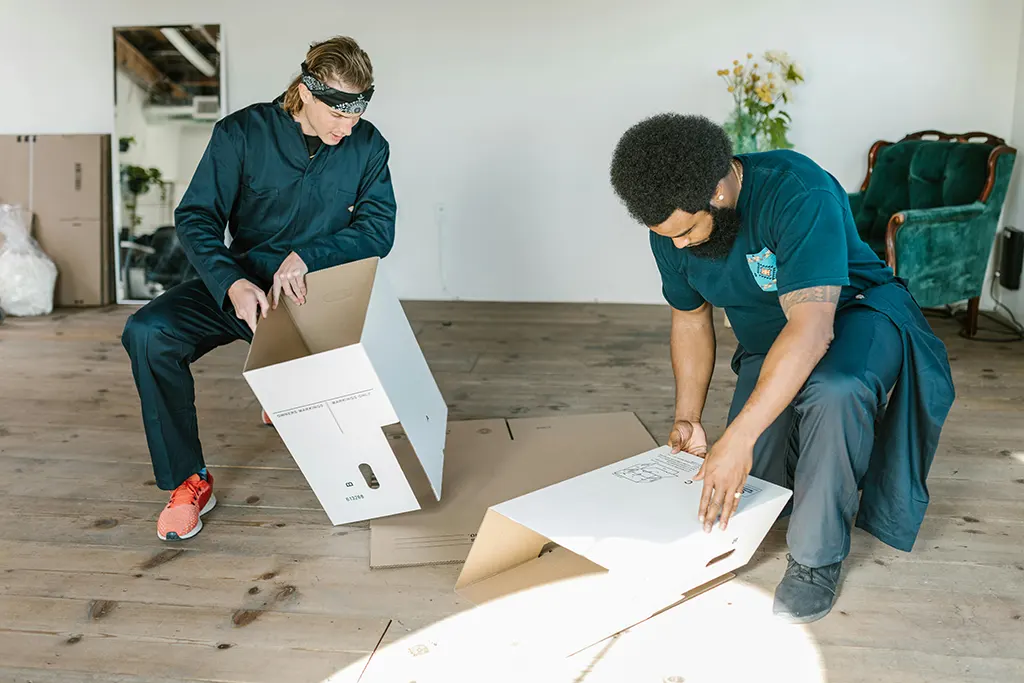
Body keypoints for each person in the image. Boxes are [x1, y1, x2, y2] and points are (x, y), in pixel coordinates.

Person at [609, 113, 955, 624]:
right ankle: (816, 474)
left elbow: (813, 329)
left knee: (833, 390)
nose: (677, 245)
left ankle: (817, 560)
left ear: (718, 190)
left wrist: (740, 436)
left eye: (685, 231)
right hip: (770, 337)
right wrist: (690, 419)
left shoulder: (797, 192)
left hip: (855, 311)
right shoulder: (669, 229)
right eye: (667, 237)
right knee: (762, 484)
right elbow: (689, 319)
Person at [121, 36, 397, 542]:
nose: (348, 126)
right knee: (148, 331)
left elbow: (379, 231)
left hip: (312, 293)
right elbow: (197, 215)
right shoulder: (240, 134)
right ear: (306, 92)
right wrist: (231, 283)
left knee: (347, 397)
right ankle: (188, 480)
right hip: (243, 284)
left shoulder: (369, 145)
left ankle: (281, 376)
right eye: (338, 113)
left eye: (357, 112)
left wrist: (310, 256)